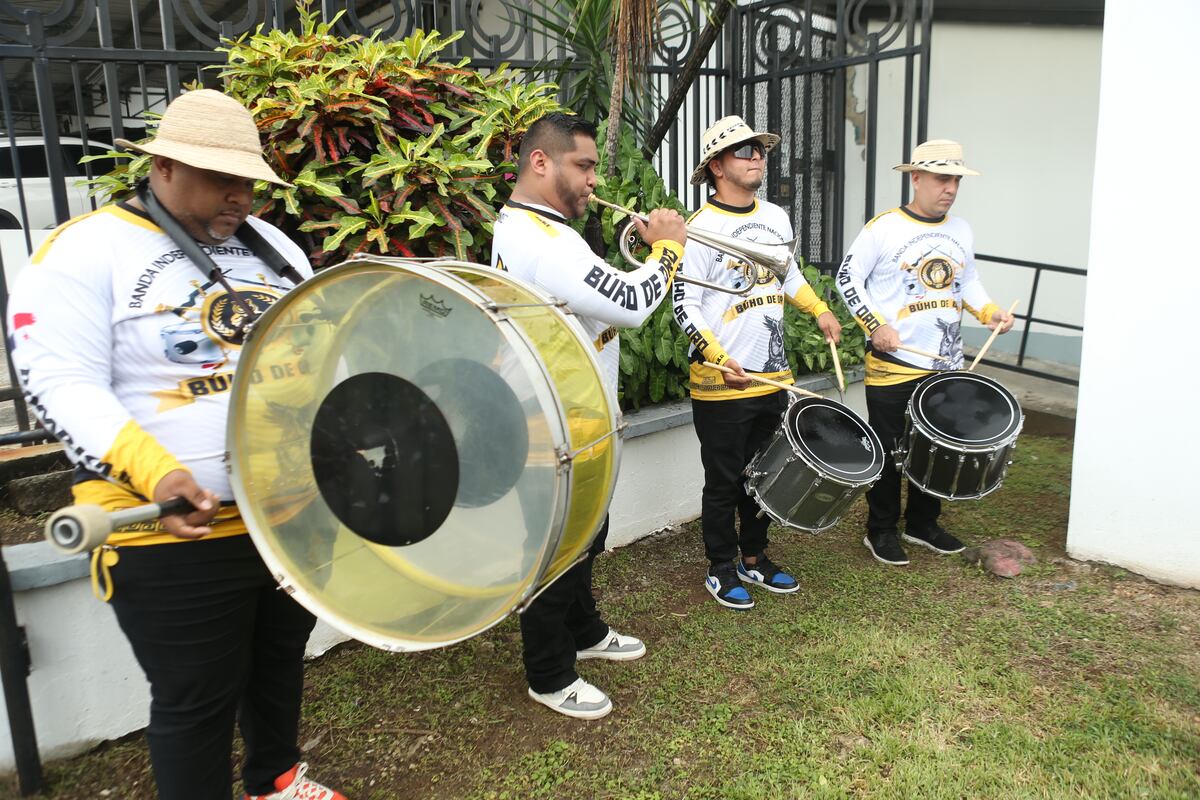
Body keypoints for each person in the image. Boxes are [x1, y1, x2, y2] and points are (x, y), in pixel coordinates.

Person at [6, 89, 346, 800]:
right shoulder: (87, 249)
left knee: (280, 660)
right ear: (162, 166)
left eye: (249, 180)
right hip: (168, 532)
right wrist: (156, 474)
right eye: (222, 178)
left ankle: (275, 778)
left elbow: (320, 355)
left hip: (285, 514)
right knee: (196, 697)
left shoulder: (275, 248)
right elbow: (59, 383)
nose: (241, 195)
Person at [490, 112, 687, 719]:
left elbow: (591, 305)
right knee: (558, 549)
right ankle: (548, 674)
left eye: (594, 167)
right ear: (540, 163)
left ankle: (584, 630)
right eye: (584, 166)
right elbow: (630, 305)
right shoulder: (537, 239)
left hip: (576, 416)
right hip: (551, 423)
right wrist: (670, 249)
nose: (592, 179)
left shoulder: (548, 231)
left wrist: (640, 251)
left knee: (586, 536)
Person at [673, 115, 841, 611]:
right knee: (724, 480)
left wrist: (820, 309)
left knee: (764, 472)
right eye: (744, 151)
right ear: (716, 166)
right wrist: (719, 358)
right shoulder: (697, 230)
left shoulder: (775, 218)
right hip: (722, 382)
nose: (756, 157)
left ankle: (755, 556)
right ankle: (721, 568)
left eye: (759, 150)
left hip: (772, 376)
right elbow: (685, 305)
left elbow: (786, 274)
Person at [834, 139, 1014, 567]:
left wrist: (989, 311)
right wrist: (876, 326)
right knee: (891, 450)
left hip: (945, 363)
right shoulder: (884, 228)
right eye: (940, 178)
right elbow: (847, 278)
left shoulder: (961, 230)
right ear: (916, 178)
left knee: (936, 447)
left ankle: (922, 523)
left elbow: (966, 281)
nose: (949, 188)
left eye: (955, 180)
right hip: (896, 365)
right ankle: (880, 530)